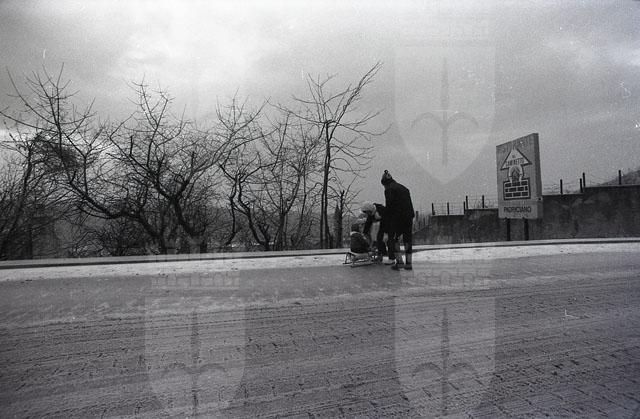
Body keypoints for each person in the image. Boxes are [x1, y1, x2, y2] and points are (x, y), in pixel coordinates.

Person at [381, 169, 415, 270]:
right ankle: (408, 263)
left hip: (398, 218)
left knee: (393, 239)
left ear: (385, 183)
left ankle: (399, 262)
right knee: (407, 239)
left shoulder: (389, 189)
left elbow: (390, 207)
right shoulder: (404, 188)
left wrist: (387, 224)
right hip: (409, 217)